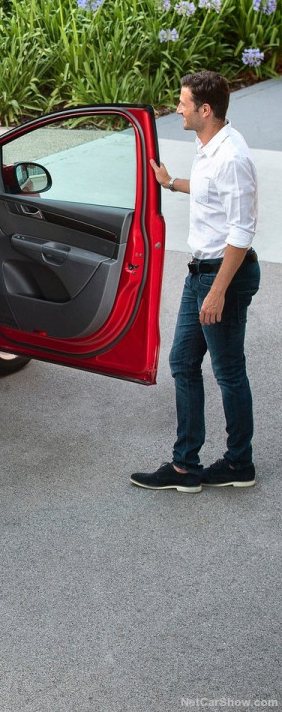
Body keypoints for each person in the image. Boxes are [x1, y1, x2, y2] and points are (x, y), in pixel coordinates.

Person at [133, 71, 260, 493]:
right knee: (183, 363)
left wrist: (218, 292)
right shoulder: (208, 146)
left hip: (224, 274)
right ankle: (185, 467)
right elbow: (209, 192)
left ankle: (239, 463)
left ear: (205, 110)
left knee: (228, 372)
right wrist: (170, 182)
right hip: (201, 272)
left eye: (184, 102)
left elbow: (241, 234)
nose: (178, 108)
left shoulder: (232, 157)